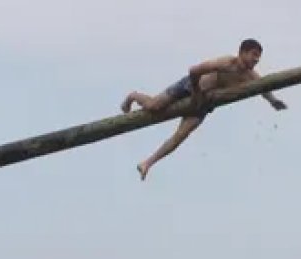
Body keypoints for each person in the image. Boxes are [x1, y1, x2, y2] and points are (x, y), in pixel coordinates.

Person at [121, 39, 287, 180]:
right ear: (242, 53)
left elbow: (263, 88)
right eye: (254, 55)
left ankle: (147, 164)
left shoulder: (250, 75)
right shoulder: (226, 63)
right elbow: (194, 70)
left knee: (180, 136)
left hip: (204, 105)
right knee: (153, 106)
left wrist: (273, 101)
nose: (256, 60)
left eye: (258, 56)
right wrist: (196, 92)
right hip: (189, 88)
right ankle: (133, 96)